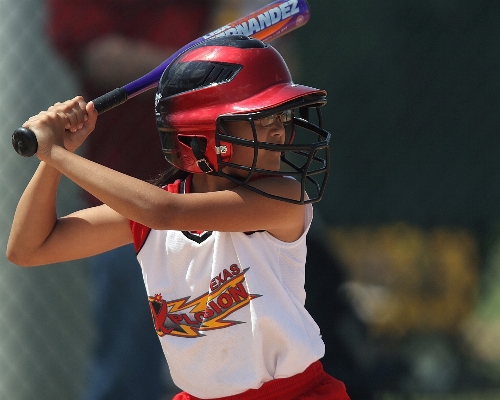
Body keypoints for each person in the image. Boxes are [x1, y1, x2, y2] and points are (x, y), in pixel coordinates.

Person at [7, 35, 350, 399]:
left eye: (281, 115)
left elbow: (164, 212)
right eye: (260, 117)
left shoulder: (283, 198)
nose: (280, 129)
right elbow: (29, 248)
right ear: (202, 132)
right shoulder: (149, 216)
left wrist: (57, 154)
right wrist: (54, 156)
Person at [45, 1, 213, 398]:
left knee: (228, 358)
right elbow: (103, 57)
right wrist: (204, 71)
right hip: (122, 206)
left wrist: (229, 68)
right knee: (127, 370)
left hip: (214, 199)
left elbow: (274, 62)